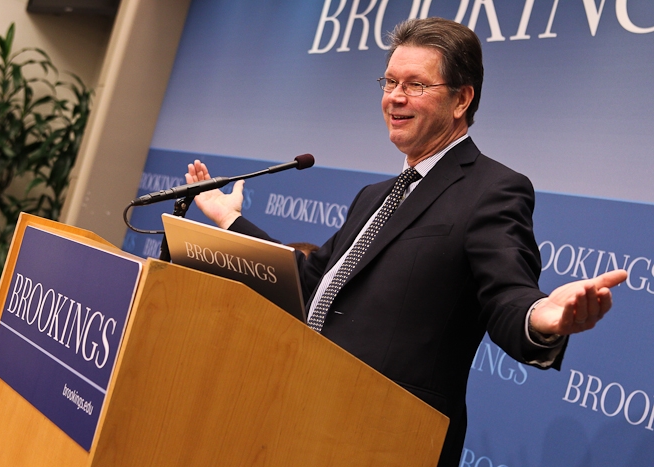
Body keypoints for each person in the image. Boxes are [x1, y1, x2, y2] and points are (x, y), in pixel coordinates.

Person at [184, 17, 627, 467]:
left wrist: (541, 316)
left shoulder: (493, 189)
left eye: (415, 85)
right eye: (391, 81)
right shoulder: (374, 196)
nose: (395, 96)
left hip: (390, 440)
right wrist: (228, 220)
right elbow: (309, 284)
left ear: (462, 99)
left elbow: (507, 292)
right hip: (304, 414)